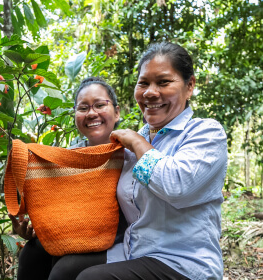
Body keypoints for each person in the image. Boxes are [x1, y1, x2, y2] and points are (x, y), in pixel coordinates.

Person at [76, 42, 228, 280]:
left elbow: (176, 186)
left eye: (164, 82)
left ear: (190, 86)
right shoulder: (136, 140)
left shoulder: (206, 133)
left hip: (183, 263)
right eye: (144, 83)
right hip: (133, 252)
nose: (150, 92)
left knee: (91, 279)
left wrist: (137, 143)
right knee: (52, 261)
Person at [8, 77, 125, 280]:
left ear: (117, 112)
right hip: (76, 236)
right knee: (32, 253)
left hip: (119, 241)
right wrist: (32, 227)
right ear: (75, 115)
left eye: (99, 105)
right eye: (83, 108)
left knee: (64, 269)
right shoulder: (66, 159)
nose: (91, 113)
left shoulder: (133, 150)